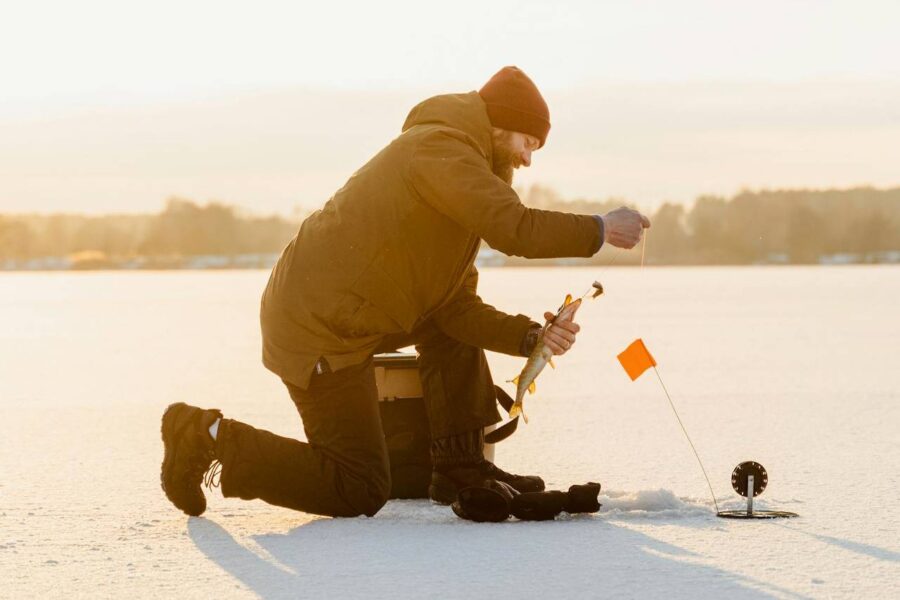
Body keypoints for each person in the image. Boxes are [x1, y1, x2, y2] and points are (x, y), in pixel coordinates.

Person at [160, 66, 650, 518]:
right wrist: (599, 228)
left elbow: (454, 308)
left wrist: (531, 339)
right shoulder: (439, 149)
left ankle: (460, 467)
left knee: (446, 328)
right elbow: (515, 228)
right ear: (501, 124)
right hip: (318, 327)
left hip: (358, 317)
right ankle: (204, 435)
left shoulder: (462, 176)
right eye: (528, 142)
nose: (526, 159)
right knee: (358, 487)